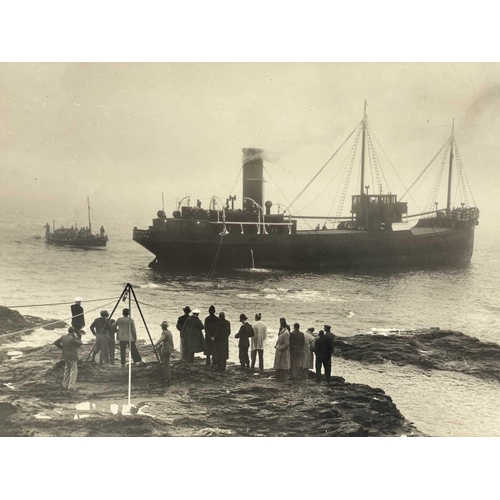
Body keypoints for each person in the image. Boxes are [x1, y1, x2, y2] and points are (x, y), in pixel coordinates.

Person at [53, 326, 82, 391]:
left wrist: (61, 348)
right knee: (73, 371)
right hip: (72, 356)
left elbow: (55, 342)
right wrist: (77, 336)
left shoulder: (63, 337)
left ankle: (64, 384)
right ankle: (71, 386)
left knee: (66, 370)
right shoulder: (73, 338)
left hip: (65, 356)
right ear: (73, 332)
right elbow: (80, 343)